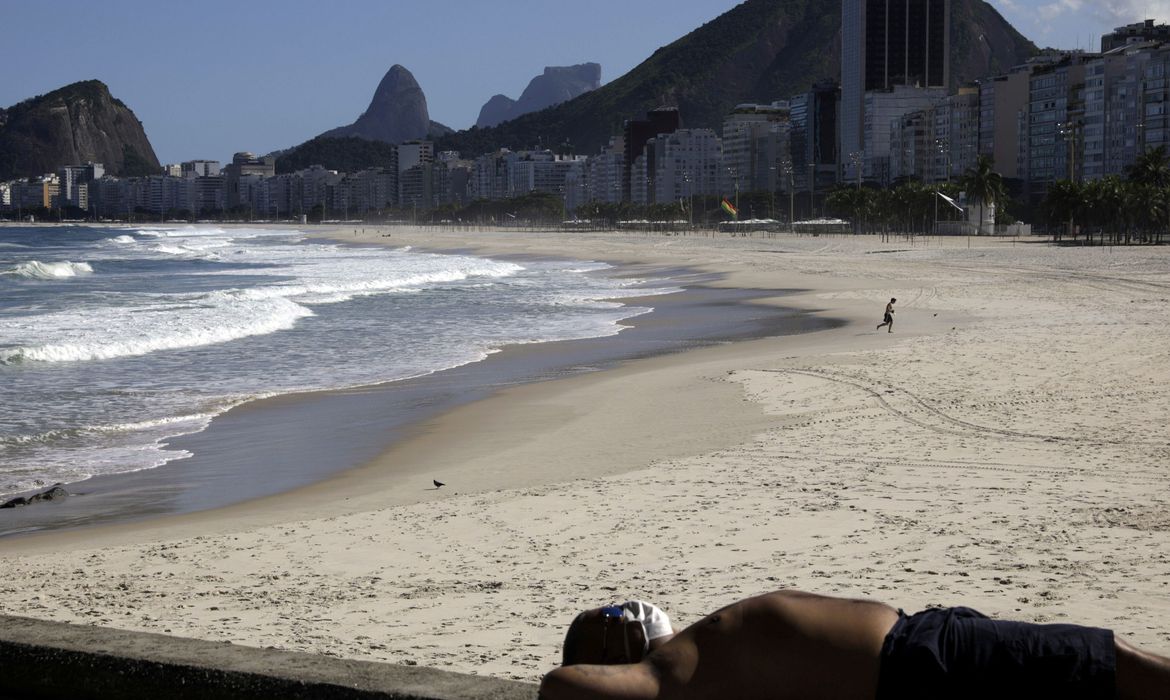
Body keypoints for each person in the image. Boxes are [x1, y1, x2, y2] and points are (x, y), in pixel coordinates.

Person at [539, 589, 1170, 699]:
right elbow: (556, 686)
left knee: (1106, 667)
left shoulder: (689, 664)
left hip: (922, 640)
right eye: (612, 611)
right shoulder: (664, 677)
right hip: (919, 665)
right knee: (1108, 663)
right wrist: (626, 652)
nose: (625, 606)